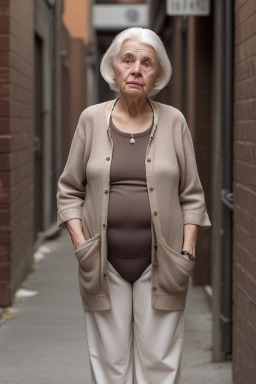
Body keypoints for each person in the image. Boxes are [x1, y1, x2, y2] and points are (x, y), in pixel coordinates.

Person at [56, 27, 211, 384]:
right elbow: (69, 191)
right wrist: (82, 246)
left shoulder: (174, 122)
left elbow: (192, 195)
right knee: (109, 366)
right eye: (128, 60)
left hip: (164, 264)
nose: (136, 69)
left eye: (147, 62)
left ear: (158, 74)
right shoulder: (91, 120)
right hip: (102, 265)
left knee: (160, 365)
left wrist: (186, 253)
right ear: (114, 67)